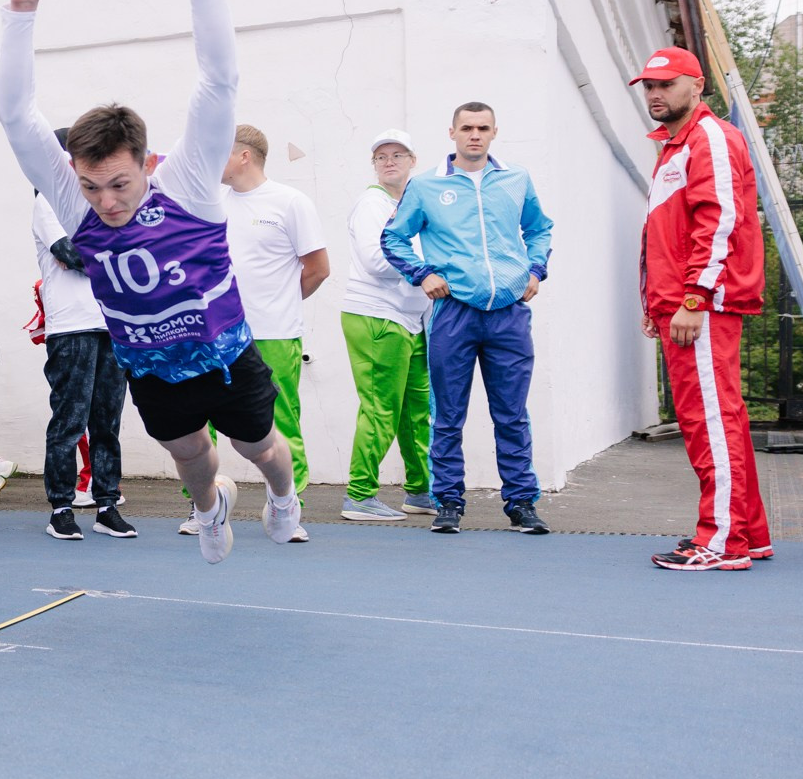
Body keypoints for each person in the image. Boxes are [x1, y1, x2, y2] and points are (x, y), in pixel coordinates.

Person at [0, 0, 306, 565]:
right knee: (190, 454)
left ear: (144, 163)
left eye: (118, 185)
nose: (104, 202)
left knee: (261, 449)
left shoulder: (190, 182)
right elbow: (17, 115)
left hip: (224, 353)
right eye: (90, 186)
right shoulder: (73, 201)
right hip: (153, 366)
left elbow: (219, 79)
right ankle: (208, 506)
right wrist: (20, 13)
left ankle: (282, 498)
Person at [381, 103, 554, 536]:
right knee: (447, 414)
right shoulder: (425, 186)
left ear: (494, 131)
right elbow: (393, 237)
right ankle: (448, 503)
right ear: (452, 132)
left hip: (508, 313)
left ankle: (521, 503)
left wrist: (535, 270)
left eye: (482, 128)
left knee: (512, 413)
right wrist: (424, 274)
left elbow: (539, 228)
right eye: (466, 128)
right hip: (453, 312)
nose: (474, 135)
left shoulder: (516, 180)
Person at [631, 47, 771, 572]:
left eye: (666, 84)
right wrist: (657, 300)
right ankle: (748, 534)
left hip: (699, 306)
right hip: (683, 304)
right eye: (648, 86)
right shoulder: (676, 144)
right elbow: (667, 233)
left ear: (697, 85)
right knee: (720, 418)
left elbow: (721, 221)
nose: (655, 94)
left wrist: (693, 298)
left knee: (709, 419)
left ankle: (721, 541)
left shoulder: (707, 137)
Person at [220, 124, 328, 501]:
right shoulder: (211, 204)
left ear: (244, 155)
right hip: (215, 333)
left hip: (274, 333)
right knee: (202, 420)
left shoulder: (290, 202)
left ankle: (287, 504)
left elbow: (317, 268)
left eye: (221, 149)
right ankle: (201, 506)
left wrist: (279, 302)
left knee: (280, 418)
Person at [336, 131, 435, 521]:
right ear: (374, 166)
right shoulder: (372, 204)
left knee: (415, 410)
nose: (389, 161)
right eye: (380, 157)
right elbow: (378, 262)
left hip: (411, 319)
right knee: (381, 408)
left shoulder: (412, 205)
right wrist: (429, 267)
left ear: (413, 160)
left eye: (397, 154)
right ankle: (359, 495)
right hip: (377, 316)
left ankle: (421, 492)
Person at [33, 158, 132, 540]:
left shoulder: (102, 204)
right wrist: (108, 251)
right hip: (72, 328)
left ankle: (107, 504)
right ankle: (61, 507)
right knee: (69, 422)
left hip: (112, 325)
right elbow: (72, 254)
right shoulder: (47, 203)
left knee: (107, 423)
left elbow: (127, 253)